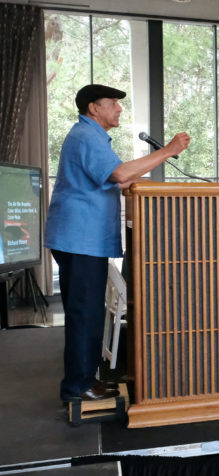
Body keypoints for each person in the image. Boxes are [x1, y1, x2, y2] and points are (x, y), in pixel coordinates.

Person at [45, 84, 190, 403]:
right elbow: (120, 174)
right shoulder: (86, 135)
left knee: (90, 313)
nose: (119, 108)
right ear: (93, 108)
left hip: (83, 239)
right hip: (80, 239)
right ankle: (77, 388)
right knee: (85, 314)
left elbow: (123, 178)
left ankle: (86, 380)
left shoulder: (93, 136)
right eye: (112, 102)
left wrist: (144, 176)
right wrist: (167, 150)